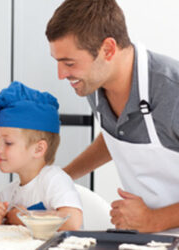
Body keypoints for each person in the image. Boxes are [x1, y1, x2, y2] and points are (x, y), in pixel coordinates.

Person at [46, 0, 179, 233]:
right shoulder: (94, 84)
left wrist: (153, 220)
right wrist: (61, 177)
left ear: (107, 49)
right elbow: (118, 135)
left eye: (69, 63)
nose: (61, 75)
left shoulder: (172, 91)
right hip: (150, 238)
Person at [0, 81, 82, 230]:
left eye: (8, 143)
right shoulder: (7, 195)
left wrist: (27, 217)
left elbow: (73, 221)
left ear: (38, 149)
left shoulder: (54, 179)